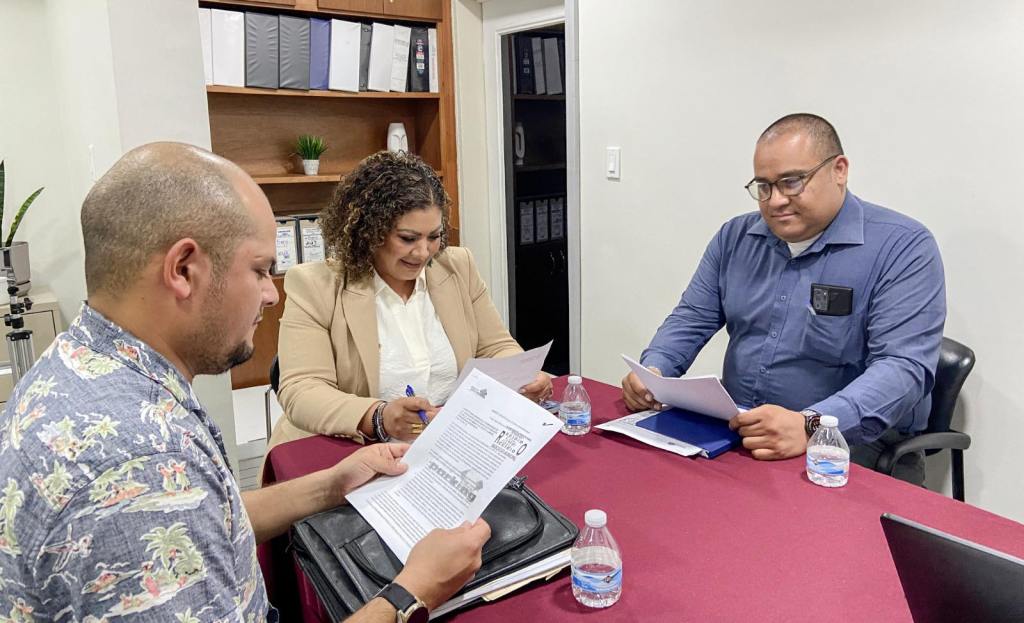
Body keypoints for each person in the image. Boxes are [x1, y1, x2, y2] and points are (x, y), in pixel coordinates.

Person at [0, 142, 489, 622]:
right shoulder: (140, 463)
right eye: (259, 270)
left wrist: (331, 485)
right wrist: (411, 593)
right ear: (183, 270)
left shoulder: (85, 366)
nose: (270, 295)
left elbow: (209, 516)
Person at [621, 114, 946, 485]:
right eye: (764, 186)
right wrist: (656, 370)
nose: (775, 200)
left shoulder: (903, 247)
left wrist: (810, 425)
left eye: (792, 182)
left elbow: (902, 368)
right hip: (743, 432)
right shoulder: (735, 238)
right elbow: (692, 317)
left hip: (853, 447)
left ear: (839, 170)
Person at [266, 151, 551, 454]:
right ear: (369, 231)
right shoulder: (315, 286)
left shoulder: (457, 267)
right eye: (407, 238)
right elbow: (302, 390)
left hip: (449, 443)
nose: (423, 252)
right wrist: (379, 417)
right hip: (352, 449)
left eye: (434, 236)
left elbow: (495, 347)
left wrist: (524, 377)